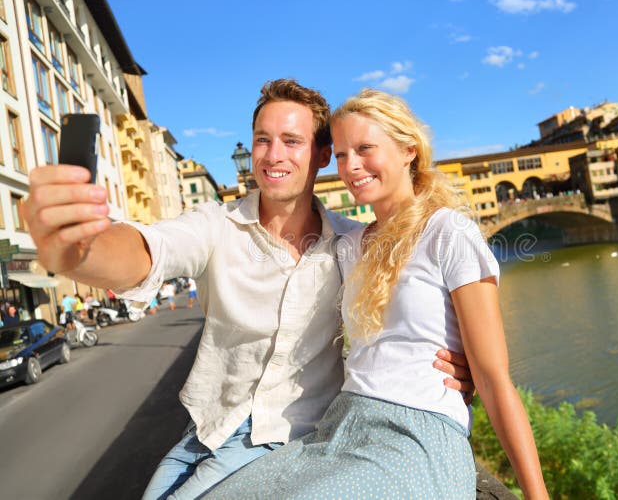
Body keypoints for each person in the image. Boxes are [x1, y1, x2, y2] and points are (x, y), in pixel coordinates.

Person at [20, 79, 472, 499]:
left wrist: (455, 369)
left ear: (320, 155)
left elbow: (420, 311)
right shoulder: (217, 226)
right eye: (262, 139)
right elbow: (149, 249)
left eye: (292, 141)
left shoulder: (353, 244)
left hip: (292, 441)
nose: (272, 155)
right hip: (206, 433)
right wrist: (80, 249)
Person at [208, 89, 549, 499]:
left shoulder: (449, 233)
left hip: (417, 436)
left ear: (408, 150)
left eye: (365, 149)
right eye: (341, 155)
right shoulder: (349, 246)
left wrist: (537, 495)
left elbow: (494, 379)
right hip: (340, 426)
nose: (351, 167)